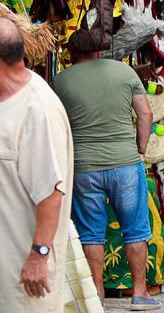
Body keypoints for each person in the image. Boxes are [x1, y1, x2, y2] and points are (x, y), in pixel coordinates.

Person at [54, 41, 160, 310]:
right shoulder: (124, 72)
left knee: (91, 233)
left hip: (84, 167)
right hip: (125, 163)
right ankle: (140, 294)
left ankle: (96, 295)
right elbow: (145, 113)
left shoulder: (61, 80)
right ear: (99, 50)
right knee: (135, 229)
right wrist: (141, 150)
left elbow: (55, 121)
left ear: (72, 52)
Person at [0, 18, 74, 312]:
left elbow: (50, 192)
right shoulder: (9, 97)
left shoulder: (38, 110)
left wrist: (38, 256)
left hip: (22, 273)